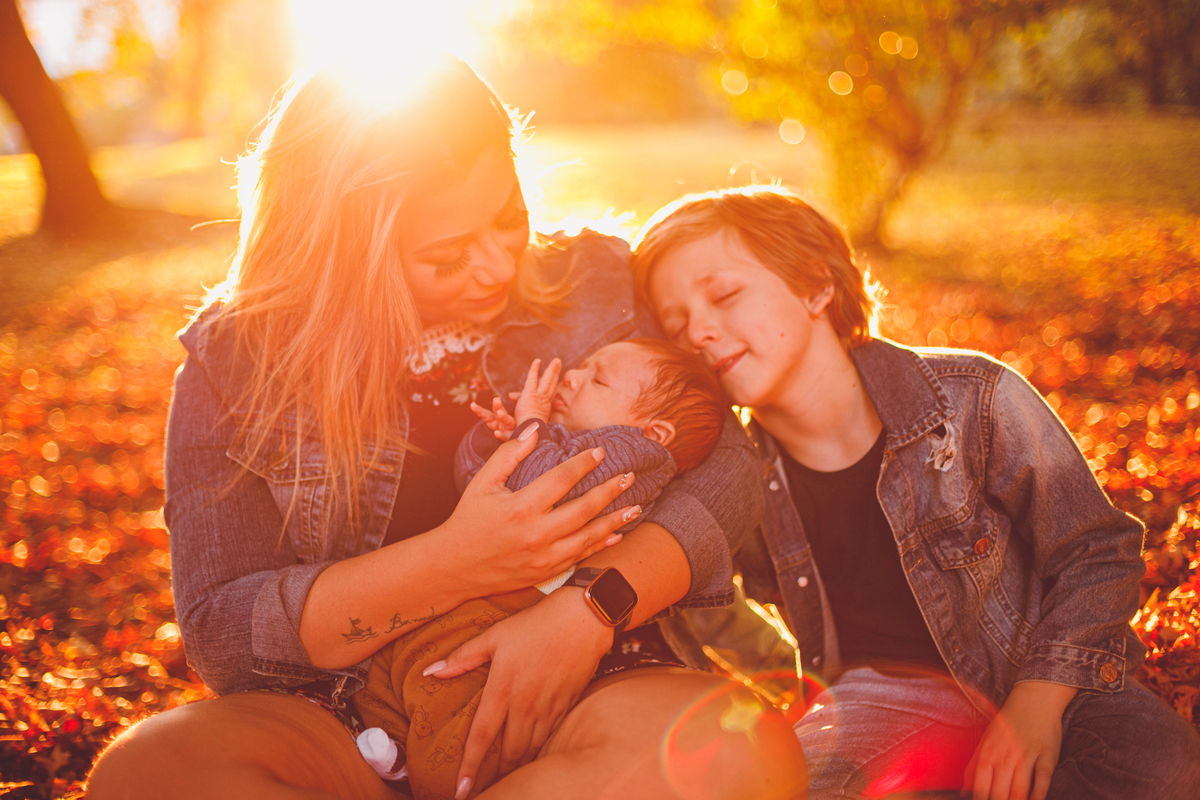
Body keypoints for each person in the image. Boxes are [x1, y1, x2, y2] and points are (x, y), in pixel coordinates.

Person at [85, 56, 807, 800]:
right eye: (447, 256)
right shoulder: (236, 361)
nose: (497, 266)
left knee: (740, 756)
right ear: (346, 252)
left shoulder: (595, 283)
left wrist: (588, 609)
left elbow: (726, 465)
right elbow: (223, 631)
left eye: (508, 218)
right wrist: (460, 561)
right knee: (148, 776)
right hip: (349, 708)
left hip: (591, 677)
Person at [632, 185, 1200, 800]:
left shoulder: (972, 397)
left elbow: (1097, 550)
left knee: (1165, 770)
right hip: (875, 701)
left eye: (724, 295)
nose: (699, 332)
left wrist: (1038, 701)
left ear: (816, 286)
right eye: (676, 325)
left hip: (1040, 665)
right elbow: (698, 599)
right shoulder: (734, 479)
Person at [355, 342, 728, 797]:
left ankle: (447, 780)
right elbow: (479, 487)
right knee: (392, 669)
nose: (572, 375)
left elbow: (543, 487)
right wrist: (500, 443)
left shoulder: (633, 456)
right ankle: (400, 752)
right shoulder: (573, 442)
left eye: (598, 379)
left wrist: (532, 424)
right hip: (487, 586)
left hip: (523, 601)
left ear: (656, 431)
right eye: (582, 366)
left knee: (461, 687)